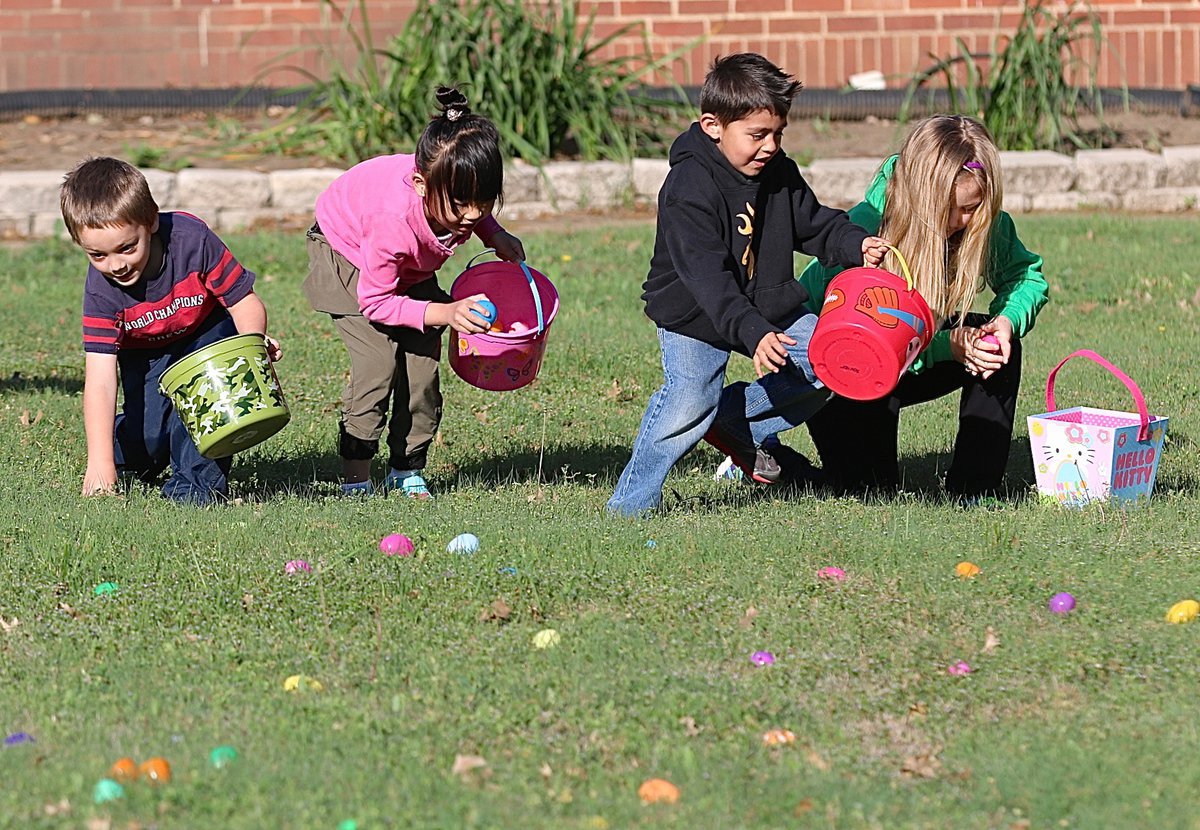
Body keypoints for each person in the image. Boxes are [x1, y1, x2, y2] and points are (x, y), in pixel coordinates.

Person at [606, 53, 888, 517]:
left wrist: (855, 244)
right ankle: (629, 508)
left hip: (766, 303)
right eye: (757, 135)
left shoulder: (777, 173)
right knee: (688, 400)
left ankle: (731, 416)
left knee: (829, 361)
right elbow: (709, 280)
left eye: (778, 133)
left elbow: (814, 224)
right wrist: (754, 332)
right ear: (713, 125)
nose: (770, 146)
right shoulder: (688, 187)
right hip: (696, 312)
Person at [796, 114, 1049, 501]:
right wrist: (951, 346)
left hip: (907, 360)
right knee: (867, 492)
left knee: (998, 348)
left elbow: (1025, 277)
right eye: (953, 209)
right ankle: (767, 457)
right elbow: (877, 345)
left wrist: (1006, 322)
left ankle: (975, 490)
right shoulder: (866, 231)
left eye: (974, 207)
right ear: (920, 197)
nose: (963, 221)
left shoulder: (981, 223)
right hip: (840, 371)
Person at [304, 86, 525, 499]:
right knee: (378, 366)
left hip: (400, 264)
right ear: (422, 185)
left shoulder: (454, 192)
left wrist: (494, 234)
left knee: (421, 370)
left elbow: (470, 206)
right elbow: (375, 301)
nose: (473, 215)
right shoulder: (391, 222)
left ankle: (406, 469)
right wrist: (446, 313)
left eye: (484, 203)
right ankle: (356, 479)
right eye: (462, 205)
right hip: (349, 256)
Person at [62, 156, 282, 506]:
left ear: (149, 221)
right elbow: (100, 379)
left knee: (208, 410)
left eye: (126, 248)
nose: (116, 265)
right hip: (145, 354)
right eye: (97, 255)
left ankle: (196, 488)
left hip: (206, 333)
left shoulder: (191, 239)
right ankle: (121, 447)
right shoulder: (100, 293)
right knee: (150, 440)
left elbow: (244, 301)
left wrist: (251, 349)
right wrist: (100, 464)